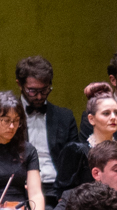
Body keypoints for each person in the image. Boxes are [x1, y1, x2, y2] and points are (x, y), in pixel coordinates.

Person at [11, 56, 81, 190]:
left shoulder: (65, 117)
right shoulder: (6, 117)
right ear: (20, 85)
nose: (39, 97)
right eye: (32, 91)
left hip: (56, 187)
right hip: (19, 187)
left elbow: (73, 161)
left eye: (44, 90)